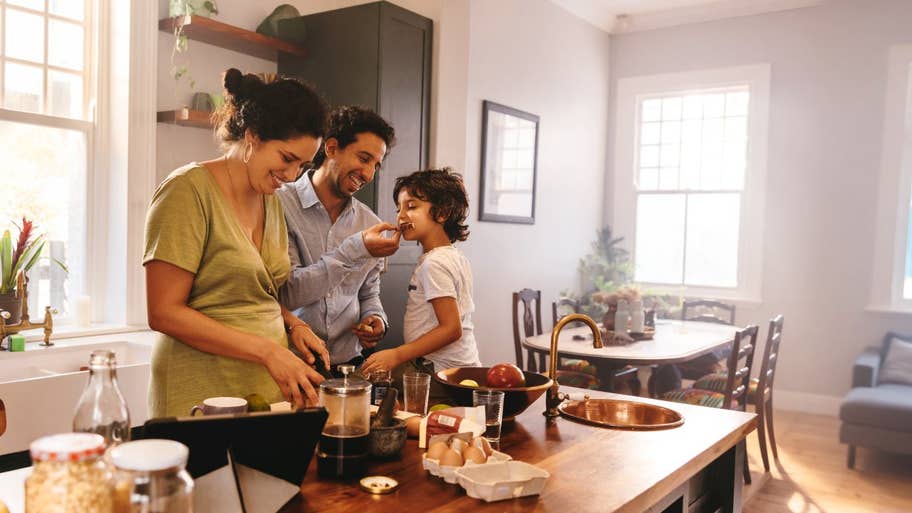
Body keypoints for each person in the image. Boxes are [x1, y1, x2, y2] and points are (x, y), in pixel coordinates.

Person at [144, 69, 331, 417]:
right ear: (253, 136)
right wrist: (269, 352)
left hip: (264, 389)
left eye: (303, 165)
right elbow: (163, 312)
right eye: (287, 159)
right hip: (200, 391)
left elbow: (248, 292)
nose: (292, 176)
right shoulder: (186, 191)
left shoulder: (271, 200)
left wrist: (293, 323)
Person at [278, 106, 398, 374]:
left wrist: (375, 318)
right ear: (331, 148)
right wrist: (354, 249)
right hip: (293, 364)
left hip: (349, 366)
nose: (368, 174)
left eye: (375, 165)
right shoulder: (278, 205)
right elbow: (288, 293)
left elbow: (368, 292)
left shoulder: (370, 223)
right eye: (364, 158)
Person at [360, 168, 480, 384]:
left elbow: (452, 329)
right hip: (455, 368)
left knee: (367, 382)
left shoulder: (434, 264)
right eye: (399, 208)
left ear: (442, 213)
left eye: (412, 206)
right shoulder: (452, 256)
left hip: (438, 372)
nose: (401, 215)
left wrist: (397, 355)